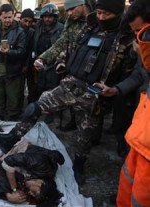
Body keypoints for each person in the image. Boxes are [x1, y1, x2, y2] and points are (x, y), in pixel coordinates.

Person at [23, 0, 136, 185]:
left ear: (118, 13)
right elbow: (68, 49)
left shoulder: (127, 38)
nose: (101, 18)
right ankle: (10, 139)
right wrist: (60, 62)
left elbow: (130, 74)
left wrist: (114, 90)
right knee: (35, 108)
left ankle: (79, 166)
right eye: (99, 12)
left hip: (95, 95)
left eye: (106, 14)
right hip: (70, 84)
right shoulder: (88, 27)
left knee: (85, 137)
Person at [35, 0, 91, 131]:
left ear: (82, 5)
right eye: (67, 11)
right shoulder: (70, 22)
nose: (70, 13)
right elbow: (61, 43)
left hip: (92, 72)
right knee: (72, 100)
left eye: (72, 9)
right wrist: (43, 58)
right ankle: (74, 123)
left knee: (91, 111)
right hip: (73, 69)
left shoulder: (96, 21)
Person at [116, 0, 150, 206]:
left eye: (142, 33)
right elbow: (140, 75)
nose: (138, 43)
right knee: (129, 179)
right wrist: (117, 89)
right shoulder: (143, 51)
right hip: (139, 139)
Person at [0, 127, 64, 205]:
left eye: (33, 196)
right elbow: (9, 161)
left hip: (6, 154)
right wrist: (14, 189)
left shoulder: (30, 181)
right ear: (41, 183)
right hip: (15, 145)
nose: (30, 193)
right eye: (34, 192)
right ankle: (2, 134)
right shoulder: (42, 165)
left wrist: (7, 195)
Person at [0, 4, 26, 121]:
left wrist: (9, 52)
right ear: (0, 16)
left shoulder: (20, 32)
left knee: (13, 98)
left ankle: (12, 121)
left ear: (13, 15)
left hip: (12, 70)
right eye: (5, 17)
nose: (7, 20)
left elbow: (21, 51)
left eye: (10, 17)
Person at [18, 9, 35, 106]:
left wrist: (26, 65)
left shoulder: (32, 32)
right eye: (25, 21)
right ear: (20, 19)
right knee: (18, 89)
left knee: (31, 87)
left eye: (30, 22)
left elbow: (30, 50)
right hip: (16, 63)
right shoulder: (15, 30)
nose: (27, 24)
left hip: (28, 63)